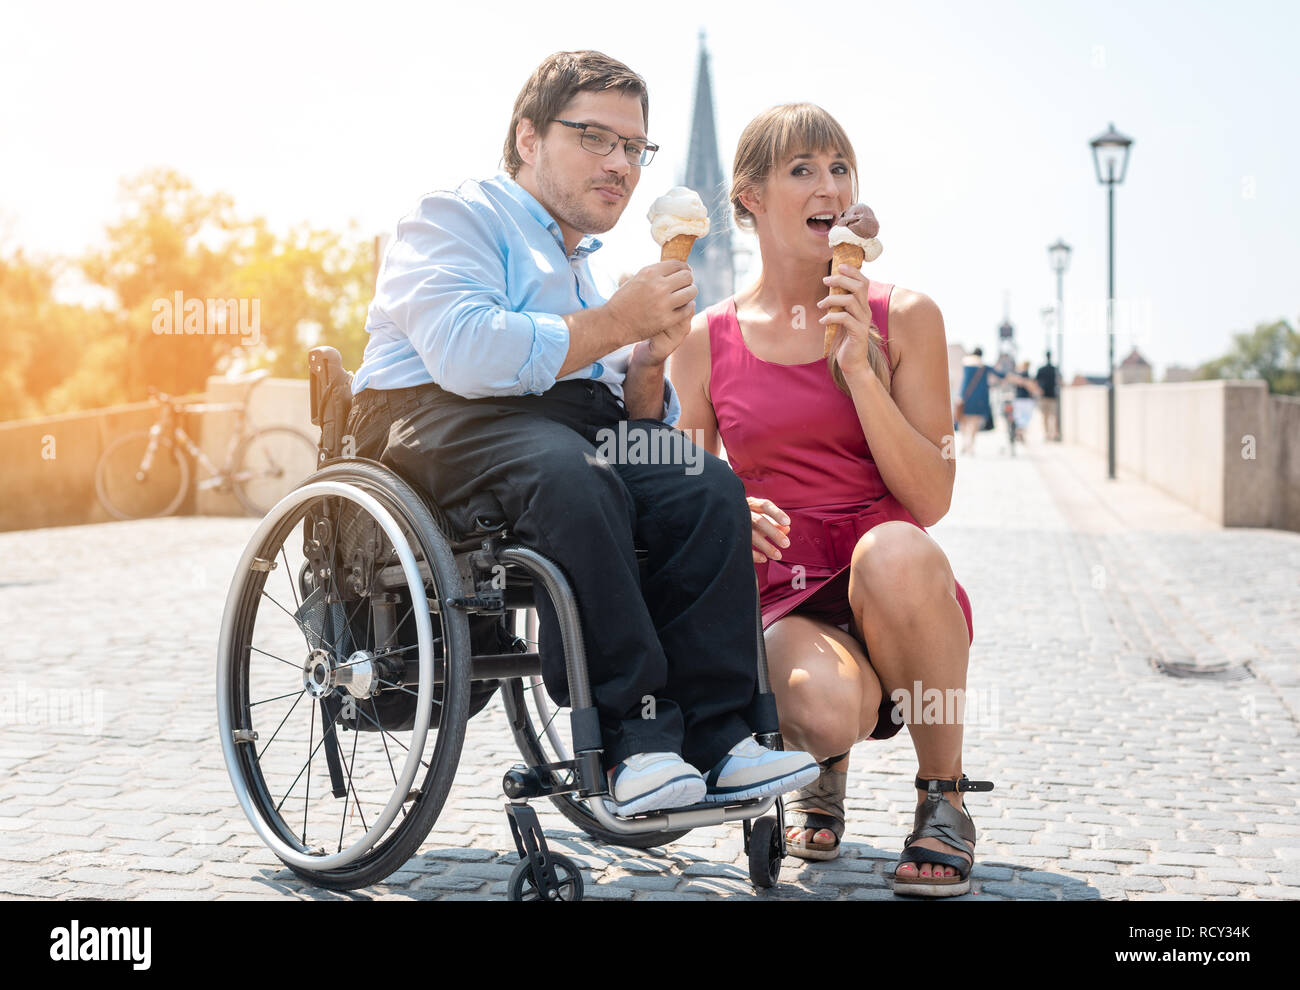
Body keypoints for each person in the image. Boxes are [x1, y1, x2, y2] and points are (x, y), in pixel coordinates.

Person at [343, 51, 817, 817]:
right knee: (572, 473)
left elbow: (616, 410)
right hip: (439, 421)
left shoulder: (584, 268)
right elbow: (467, 354)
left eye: (634, 148)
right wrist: (613, 323)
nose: (621, 164)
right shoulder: (454, 216)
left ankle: (721, 737)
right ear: (529, 138)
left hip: (556, 434)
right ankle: (635, 737)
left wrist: (643, 368)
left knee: (703, 484)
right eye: (596, 138)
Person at [670, 103, 992, 896]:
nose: (829, 186)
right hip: (783, 590)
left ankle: (942, 799)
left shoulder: (905, 316)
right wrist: (721, 510)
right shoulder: (705, 339)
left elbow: (931, 497)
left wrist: (858, 368)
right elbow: (675, 490)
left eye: (840, 168)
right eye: (803, 170)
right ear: (748, 197)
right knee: (819, 715)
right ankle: (829, 762)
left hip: (891, 571)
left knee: (895, 548)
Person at [956, 346, 994, 456]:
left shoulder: (965, 364)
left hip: (965, 396)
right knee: (974, 423)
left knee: (963, 422)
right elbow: (999, 374)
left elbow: (962, 381)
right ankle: (970, 446)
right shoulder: (983, 366)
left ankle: (964, 443)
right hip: (979, 399)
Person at [1036, 351, 1060, 441]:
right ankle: (1052, 434)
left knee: (1046, 417)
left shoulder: (1041, 369)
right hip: (1052, 396)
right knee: (1053, 417)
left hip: (1045, 396)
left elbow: (1036, 382)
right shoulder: (1054, 369)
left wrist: (1039, 390)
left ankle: (1048, 434)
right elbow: (1059, 380)